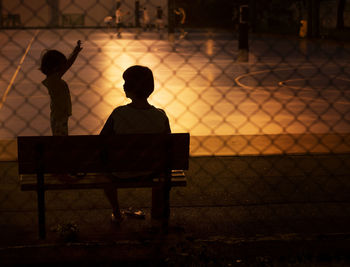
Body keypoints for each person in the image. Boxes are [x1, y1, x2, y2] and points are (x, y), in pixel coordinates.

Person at [100, 65, 171, 223]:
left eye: (125, 82)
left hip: (121, 170)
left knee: (103, 174)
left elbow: (102, 141)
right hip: (151, 170)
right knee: (162, 174)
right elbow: (168, 146)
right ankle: (158, 214)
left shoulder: (118, 114)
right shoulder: (160, 116)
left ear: (130, 88)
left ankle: (117, 212)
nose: (123, 85)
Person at [40, 40, 83, 136]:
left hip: (60, 116)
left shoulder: (53, 79)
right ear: (55, 67)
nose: (64, 66)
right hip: (59, 117)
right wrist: (75, 53)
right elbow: (68, 65)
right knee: (60, 138)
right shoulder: (53, 81)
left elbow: (67, 64)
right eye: (61, 64)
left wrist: (74, 53)